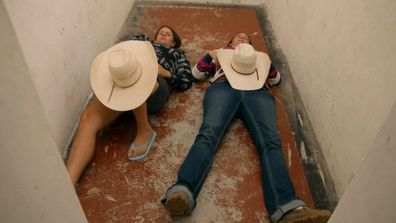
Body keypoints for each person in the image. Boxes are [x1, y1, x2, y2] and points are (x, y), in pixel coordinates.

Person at [161, 32, 331, 223]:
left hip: (256, 91)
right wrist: (210, 57)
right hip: (224, 87)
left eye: (246, 38)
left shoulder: (258, 58)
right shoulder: (221, 53)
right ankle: (183, 191)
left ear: (251, 45)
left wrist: (266, 62)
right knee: (208, 134)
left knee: (271, 142)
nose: (242, 38)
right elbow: (195, 75)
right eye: (238, 36)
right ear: (230, 41)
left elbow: (276, 81)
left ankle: (288, 208)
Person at [66, 26, 194, 186]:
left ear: (174, 42)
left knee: (141, 76)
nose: (163, 34)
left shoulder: (177, 54)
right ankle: (67, 184)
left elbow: (186, 80)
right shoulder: (144, 42)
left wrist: (164, 72)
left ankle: (144, 129)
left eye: (168, 34)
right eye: (160, 32)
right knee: (87, 119)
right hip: (121, 84)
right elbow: (124, 50)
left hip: (155, 88)